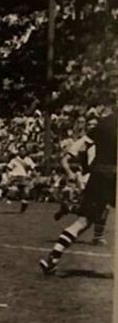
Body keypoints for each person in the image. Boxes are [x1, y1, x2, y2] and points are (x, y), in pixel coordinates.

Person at [39, 109, 116, 275]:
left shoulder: (103, 124)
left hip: (98, 176)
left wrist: (88, 168)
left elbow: (82, 149)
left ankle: (53, 257)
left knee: (83, 220)